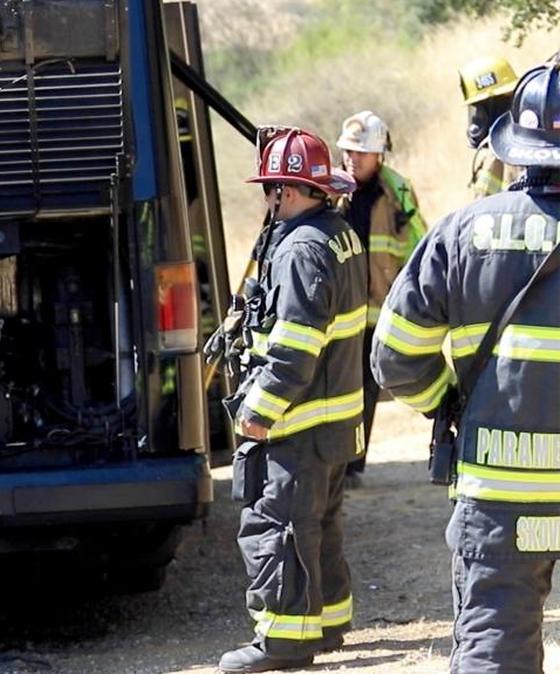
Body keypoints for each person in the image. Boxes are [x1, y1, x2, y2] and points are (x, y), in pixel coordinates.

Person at [372, 63, 560, 674]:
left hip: (500, 496)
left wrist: (448, 403)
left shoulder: (463, 231)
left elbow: (394, 356)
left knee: (493, 648)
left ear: (516, 151)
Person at [216, 128, 367, 673]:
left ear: (289, 189)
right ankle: (325, 626)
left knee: (275, 525)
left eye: (270, 188)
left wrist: (257, 412)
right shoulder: (336, 234)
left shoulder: (300, 249)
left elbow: (295, 347)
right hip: (332, 420)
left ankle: (283, 643)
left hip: (299, 423)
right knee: (318, 526)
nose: (266, 199)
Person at [334, 111, 428, 488]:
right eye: (348, 152)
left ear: (380, 155)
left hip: (376, 311)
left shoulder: (397, 192)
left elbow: (420, 247)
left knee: (365, 388)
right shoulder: (329, 189)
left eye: (361, 153)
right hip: (337, 311)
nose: (352, 159)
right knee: (334, 387)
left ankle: (353, 465)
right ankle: (333, 463)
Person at [459, 56, 521, 199]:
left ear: (493, 106)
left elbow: (480, 209)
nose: (475, 119)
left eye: (478, 109)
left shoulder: (496, 153)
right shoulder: (531, 139)